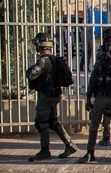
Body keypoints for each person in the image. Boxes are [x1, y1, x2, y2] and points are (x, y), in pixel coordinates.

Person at [25, 32, 79, 162]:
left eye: (37, 44)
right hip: (53, 95)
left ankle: (45, 150)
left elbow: (32, 75)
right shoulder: (53, 59)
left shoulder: (44, 61)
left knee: (41, 122)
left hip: (46, 96)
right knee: (53, 122)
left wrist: (31, 68)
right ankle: (69, 145)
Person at [80, 35, 111, 164]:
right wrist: (88, 99)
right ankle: (90, 152)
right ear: (107, 48)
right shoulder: (100, 64)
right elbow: (92, 83)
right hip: (101, 97)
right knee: (94, 125)